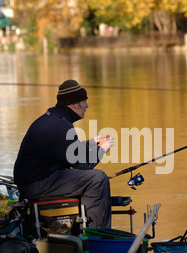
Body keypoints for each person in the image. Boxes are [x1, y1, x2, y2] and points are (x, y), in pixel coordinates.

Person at [13, 79, 114, 228]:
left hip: (33, 181)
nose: (87, 105)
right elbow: (85, 165)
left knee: (88, 177)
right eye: (84, 101)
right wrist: (103, 148)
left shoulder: (53, 119)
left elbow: (65, 151)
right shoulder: (60, 126)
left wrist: (90, 143)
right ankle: (96, 237)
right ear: (73, 104)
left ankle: (81, 229)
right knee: (97, 178)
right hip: (37, 185)